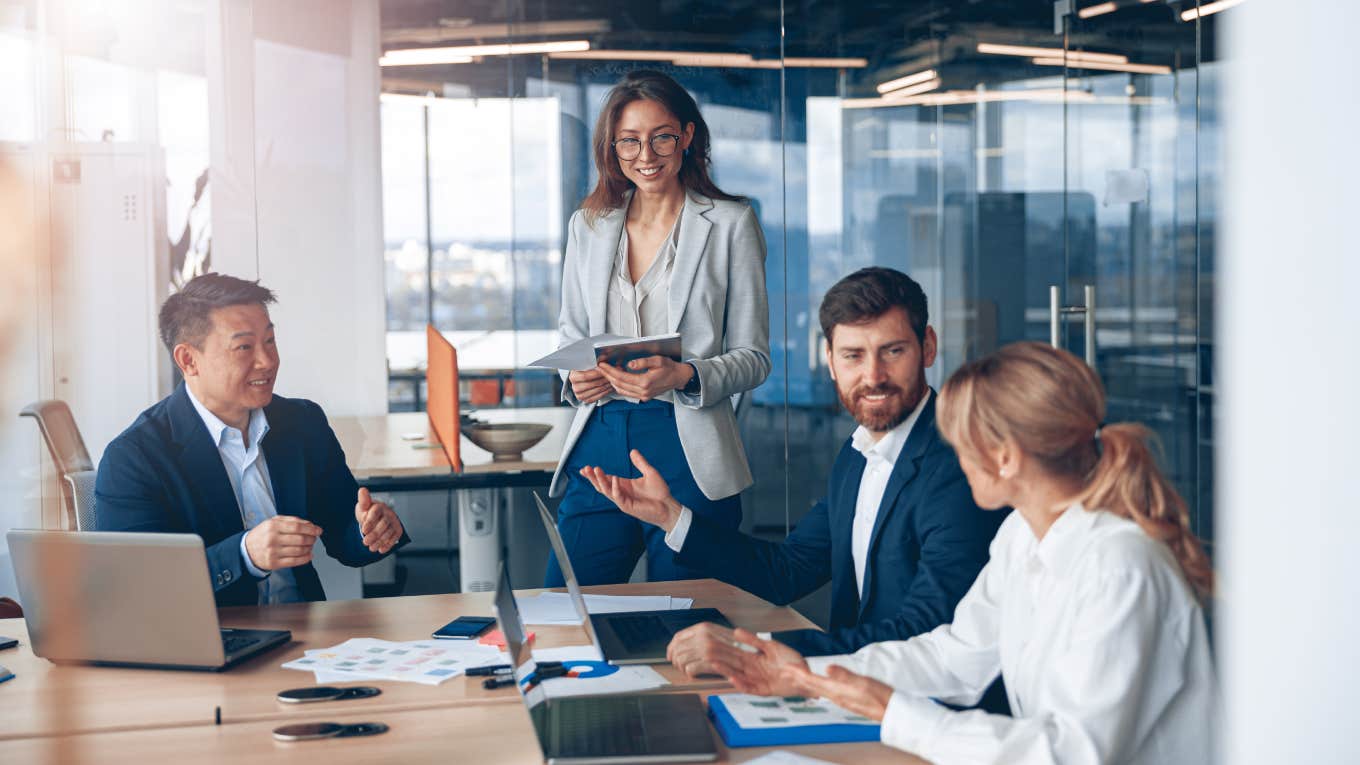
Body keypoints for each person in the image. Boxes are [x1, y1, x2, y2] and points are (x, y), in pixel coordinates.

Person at [706, 342, 1217, 765]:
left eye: (959, 440)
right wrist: (808, 675)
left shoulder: (1120, 566)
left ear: (1005, 456)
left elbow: (1070, 752)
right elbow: (953, 656)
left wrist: (895, 712)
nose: (950, 455)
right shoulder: (1023, 534)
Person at [580, 267, 1006, 709]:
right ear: (830, 360)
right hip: (854, 692)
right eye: (853, 356)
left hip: (924, 709)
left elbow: (926, 632)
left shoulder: (959, 467)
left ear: (928, 348)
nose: (873, 375)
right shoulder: (859, 453)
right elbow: (789, 571)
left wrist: (757, 652)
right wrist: (670, 515)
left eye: (892, 351)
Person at [546, 69, 770, 586]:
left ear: (687, 137)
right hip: (600, 440)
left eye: (661, 136)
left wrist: (683, 375)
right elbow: (571, 335)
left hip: (688, 448)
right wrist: (575, 377)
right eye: (629, 141)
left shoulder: (731, 224)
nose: (645, 155)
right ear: (613, 146)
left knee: (690, 619)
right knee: (567, 610)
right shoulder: (589, 224)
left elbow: (754, 357)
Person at [95, 274, 408, 607]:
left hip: (306, 632)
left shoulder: (302, 423)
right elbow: (138, 586)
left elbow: (344, 532)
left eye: (270, 341)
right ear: (188, 360)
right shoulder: (134, 457)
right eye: (244, 347)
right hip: (208, 641)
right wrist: (245, 555)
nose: (267, 361)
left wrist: (371, 531)